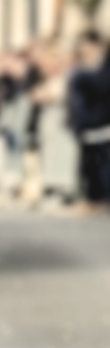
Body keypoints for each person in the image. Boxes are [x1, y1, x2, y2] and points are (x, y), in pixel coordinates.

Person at [66, 30, 110, 213]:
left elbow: (101, 86)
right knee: (88, 165)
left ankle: (104, 199)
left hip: (102, 124)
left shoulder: (102, 68)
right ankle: (92, 199)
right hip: (85, 124)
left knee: (104, 165)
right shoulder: (80, 69)